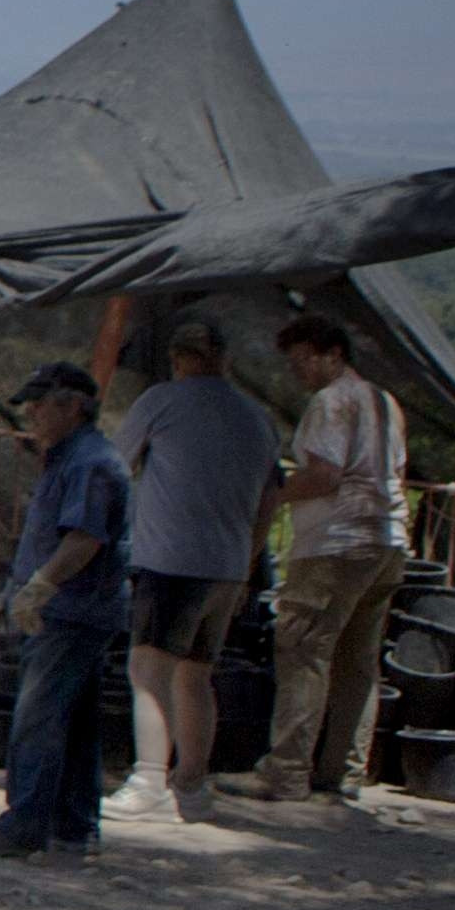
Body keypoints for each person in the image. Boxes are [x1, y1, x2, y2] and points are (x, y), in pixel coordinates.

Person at [115, 314, 281, 824]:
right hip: (229, 565)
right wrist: (250, 558)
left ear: (178, 358)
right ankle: (192, 784)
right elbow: (272, 498)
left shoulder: (161, 401)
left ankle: (148, 779)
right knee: (197, 677)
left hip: (171, 559)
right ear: (225, 360)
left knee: (148, 669)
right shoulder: (258, 418)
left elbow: (114, 464)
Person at [251, 312, 408, 807]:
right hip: (387, 538)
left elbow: (324, 475)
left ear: (332, 355)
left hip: (335, 541)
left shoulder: (331, 402)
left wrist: (274, 493)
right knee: (358, 659)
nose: (299, 373)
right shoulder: (384, 402)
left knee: (302, 650)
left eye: (303, 361)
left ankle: (288, 771)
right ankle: (345, 769)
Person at [0, 360, 131, 857]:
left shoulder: (88, 463)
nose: (31, 413)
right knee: (77, 718)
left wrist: (40, 586)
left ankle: (23, 825)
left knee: (38, 716)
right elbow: (46, 535)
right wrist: (15, 588)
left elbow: (83, 539)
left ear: (74, 406)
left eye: (41, 404)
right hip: (71, 606)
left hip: (71, 610)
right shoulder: (69, 457)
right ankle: (74, 824)